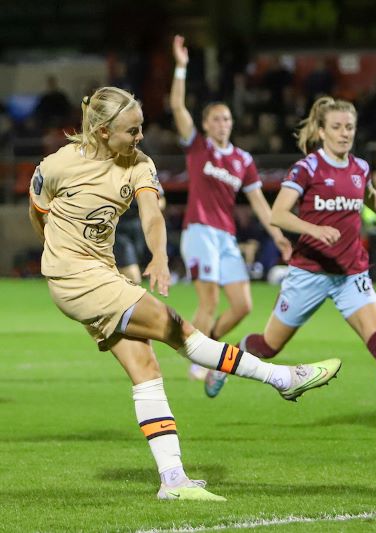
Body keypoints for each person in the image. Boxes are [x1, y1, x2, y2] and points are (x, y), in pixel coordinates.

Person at [28, 86, 342, 501]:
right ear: (102, 131)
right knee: (179, 329)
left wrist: (158, 256)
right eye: (131, 131)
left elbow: (152, 214)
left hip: (101, 275)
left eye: (141, 129)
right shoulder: (57, 165)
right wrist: (61, 258)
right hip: (77, 279)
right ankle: (282, 377)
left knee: (146, 368)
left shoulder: (139, 165)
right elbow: (39, 210)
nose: (140, 137)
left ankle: (172, 480)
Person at [229, 95, 376, 439]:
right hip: (308, 274)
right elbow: (278, 214)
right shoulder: (307, 168)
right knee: (268, 347)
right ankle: (231, 356)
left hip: (351, 275)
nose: (344, 134)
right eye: (337, 127)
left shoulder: (359, 168)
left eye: (350, 128)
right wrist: (313, 229)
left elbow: (369, 195)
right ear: (322, 131)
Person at [170, 36, 293, 381]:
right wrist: (181, 66)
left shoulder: (243, 160)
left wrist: (279, 236)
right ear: (207, 124)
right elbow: (178, 107)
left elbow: (259, 204)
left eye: (226, 119)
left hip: (226, 236)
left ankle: (202, 347)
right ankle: (199, 358)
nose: (223, 124)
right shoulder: (197, 147)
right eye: (216, 119)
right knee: (208, 303)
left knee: (243, 306)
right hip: (199, 231)